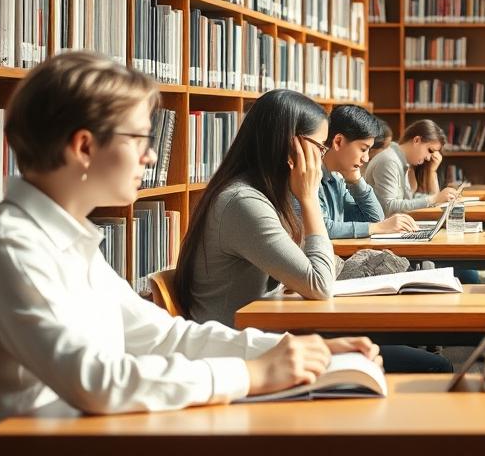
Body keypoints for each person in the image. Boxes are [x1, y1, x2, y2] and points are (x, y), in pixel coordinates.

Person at [0, 52, 377, 430]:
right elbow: (98, 383)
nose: (150, 155)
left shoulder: (61, 241)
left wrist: (283, 350)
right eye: (140, 138)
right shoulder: (10, 248)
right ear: (84, 147)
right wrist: (249, 375)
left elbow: (162, 335)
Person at [175, 91, 452, 373]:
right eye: (320, 147)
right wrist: (308, 197)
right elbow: (320, 284)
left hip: (266, 337)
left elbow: (310, 268)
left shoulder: (263, 194)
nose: (321, 159)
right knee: (433, 366)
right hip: (242, 356)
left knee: (382, 346)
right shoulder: (244, 202)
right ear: (291, 145)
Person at [319, 104, 417, 238]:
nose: (366, 159)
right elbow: (320, 228)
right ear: (338, 142)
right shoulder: (309, 176)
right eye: (363, 149)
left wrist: (357, 182)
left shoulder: (337, 179)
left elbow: (375, 218)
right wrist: (378, 227)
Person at [363, 119, 457, 215]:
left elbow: (408, 200)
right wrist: (434, 199)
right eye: (430, 150)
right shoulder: (390, 161)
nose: (429, 158)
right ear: (416, 140)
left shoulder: (400, 160)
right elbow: (388, 207)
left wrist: (437, 197)